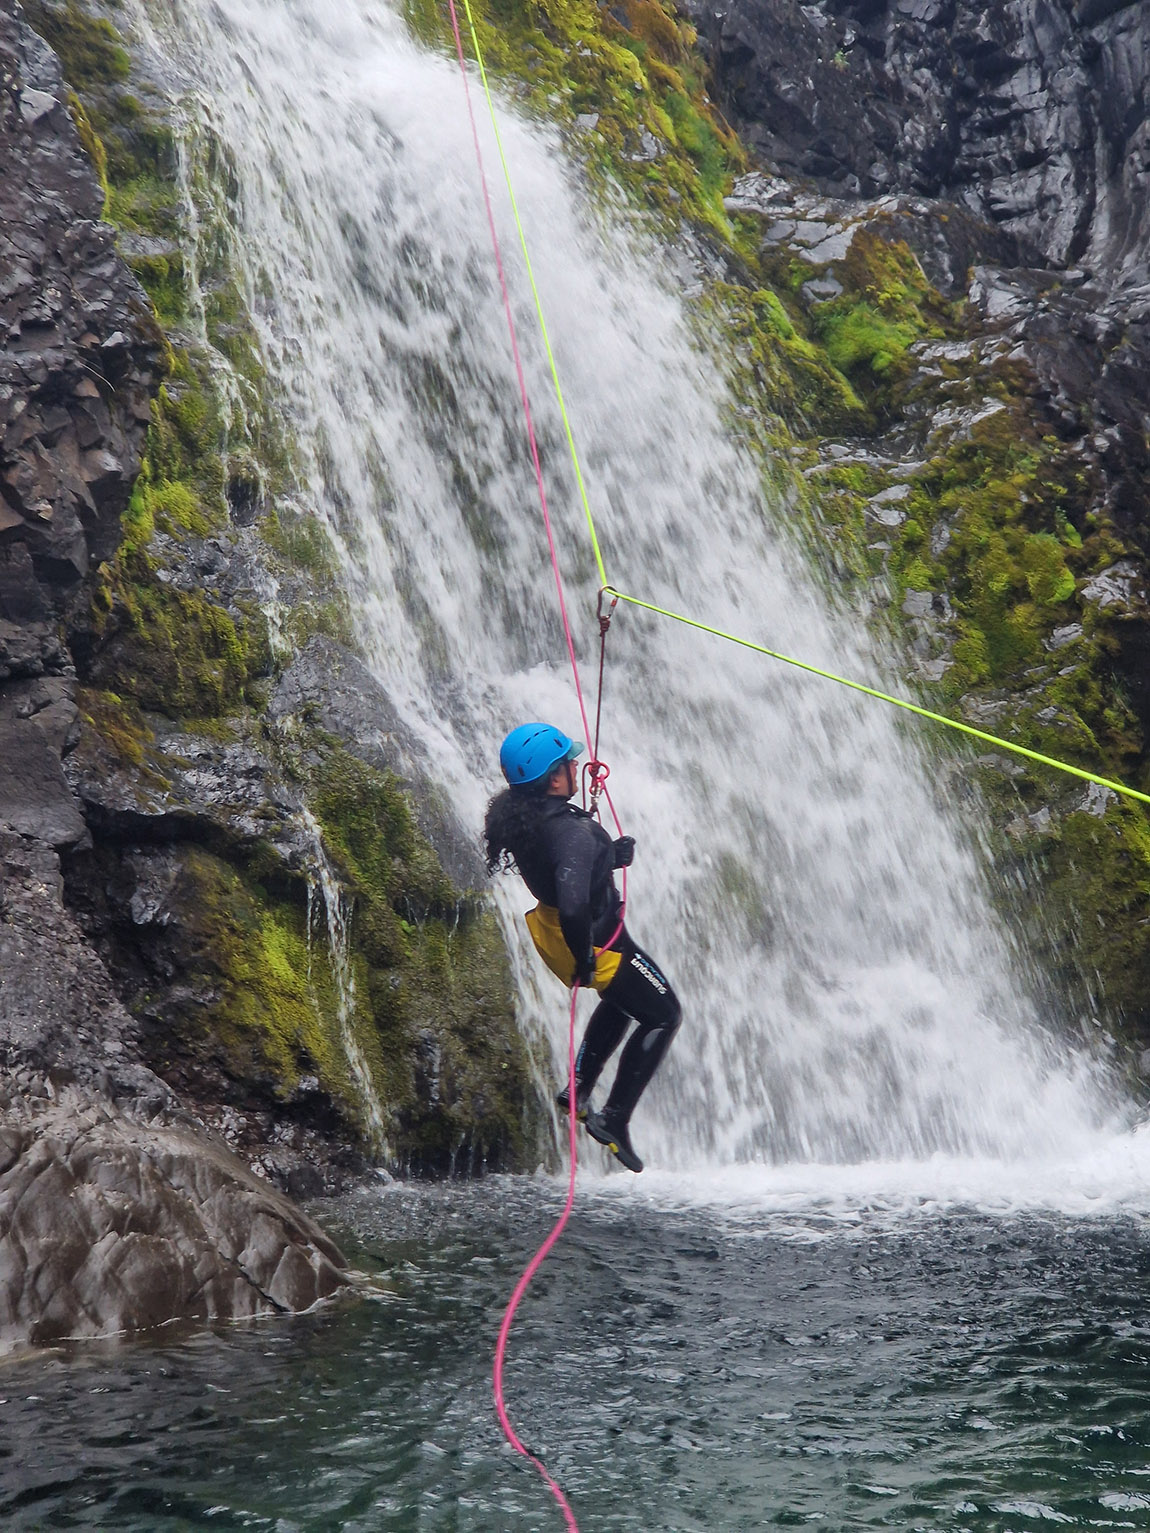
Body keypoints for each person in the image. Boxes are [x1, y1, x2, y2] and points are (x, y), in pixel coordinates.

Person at [484, 721, 681, 1173]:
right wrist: (587, 958)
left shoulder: (524, 816)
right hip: (592, 941)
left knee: (621, 1002)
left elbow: (561, 869)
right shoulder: (573, 834)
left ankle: (578, 1086)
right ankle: (614, 1118)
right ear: (554, 779)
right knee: (665, 1014)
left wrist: (611, 856)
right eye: (569, 764)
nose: (576, 767)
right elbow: (574, 903)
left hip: (552, 933)